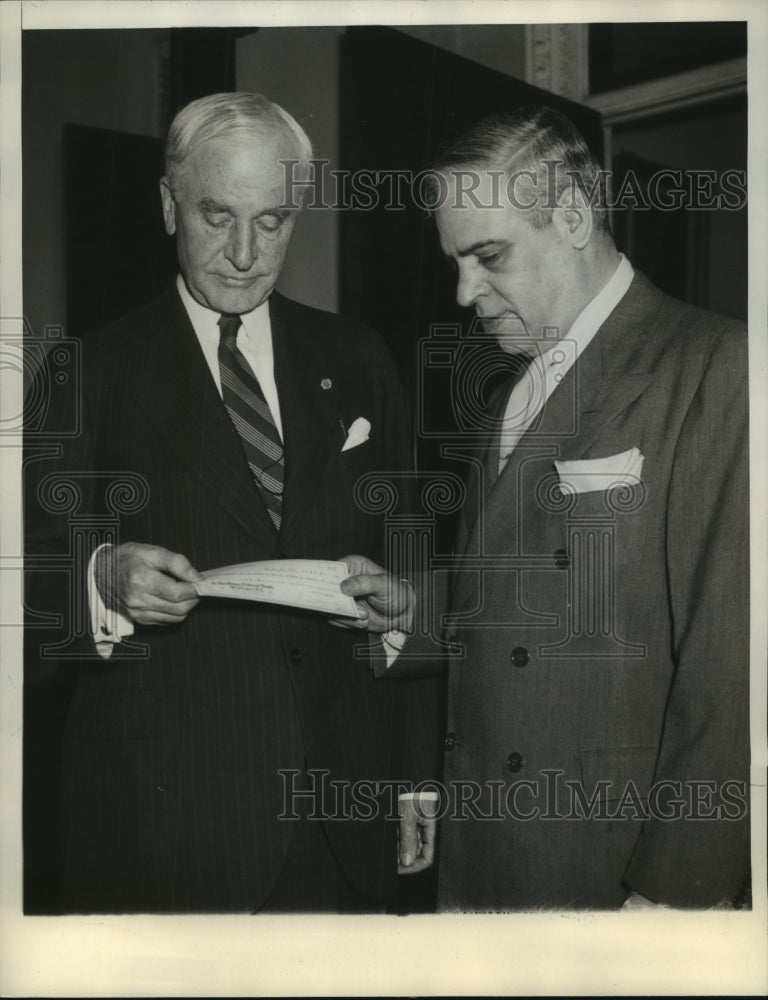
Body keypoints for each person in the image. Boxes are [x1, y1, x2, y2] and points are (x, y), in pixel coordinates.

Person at [24, 92, 439, 914]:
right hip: (164, 829)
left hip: (344, 820)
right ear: (168, 205)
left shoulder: (358, 357)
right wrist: (101, 579)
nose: (245, 254)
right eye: (217, 216)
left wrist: (417, 782)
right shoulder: (86, 373)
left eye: (272, 221)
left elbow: (413, 570)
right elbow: (21, 586)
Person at [341, 106, 751, 911]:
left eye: (488, 256)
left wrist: (676, 894)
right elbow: (530, 595)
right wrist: (413, 610)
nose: (464, 292)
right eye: (455, 262)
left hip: (609, 871)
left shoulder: (717, 365)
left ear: (571, 216)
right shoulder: (512, 393)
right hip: (487, 856)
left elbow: (731, 663)